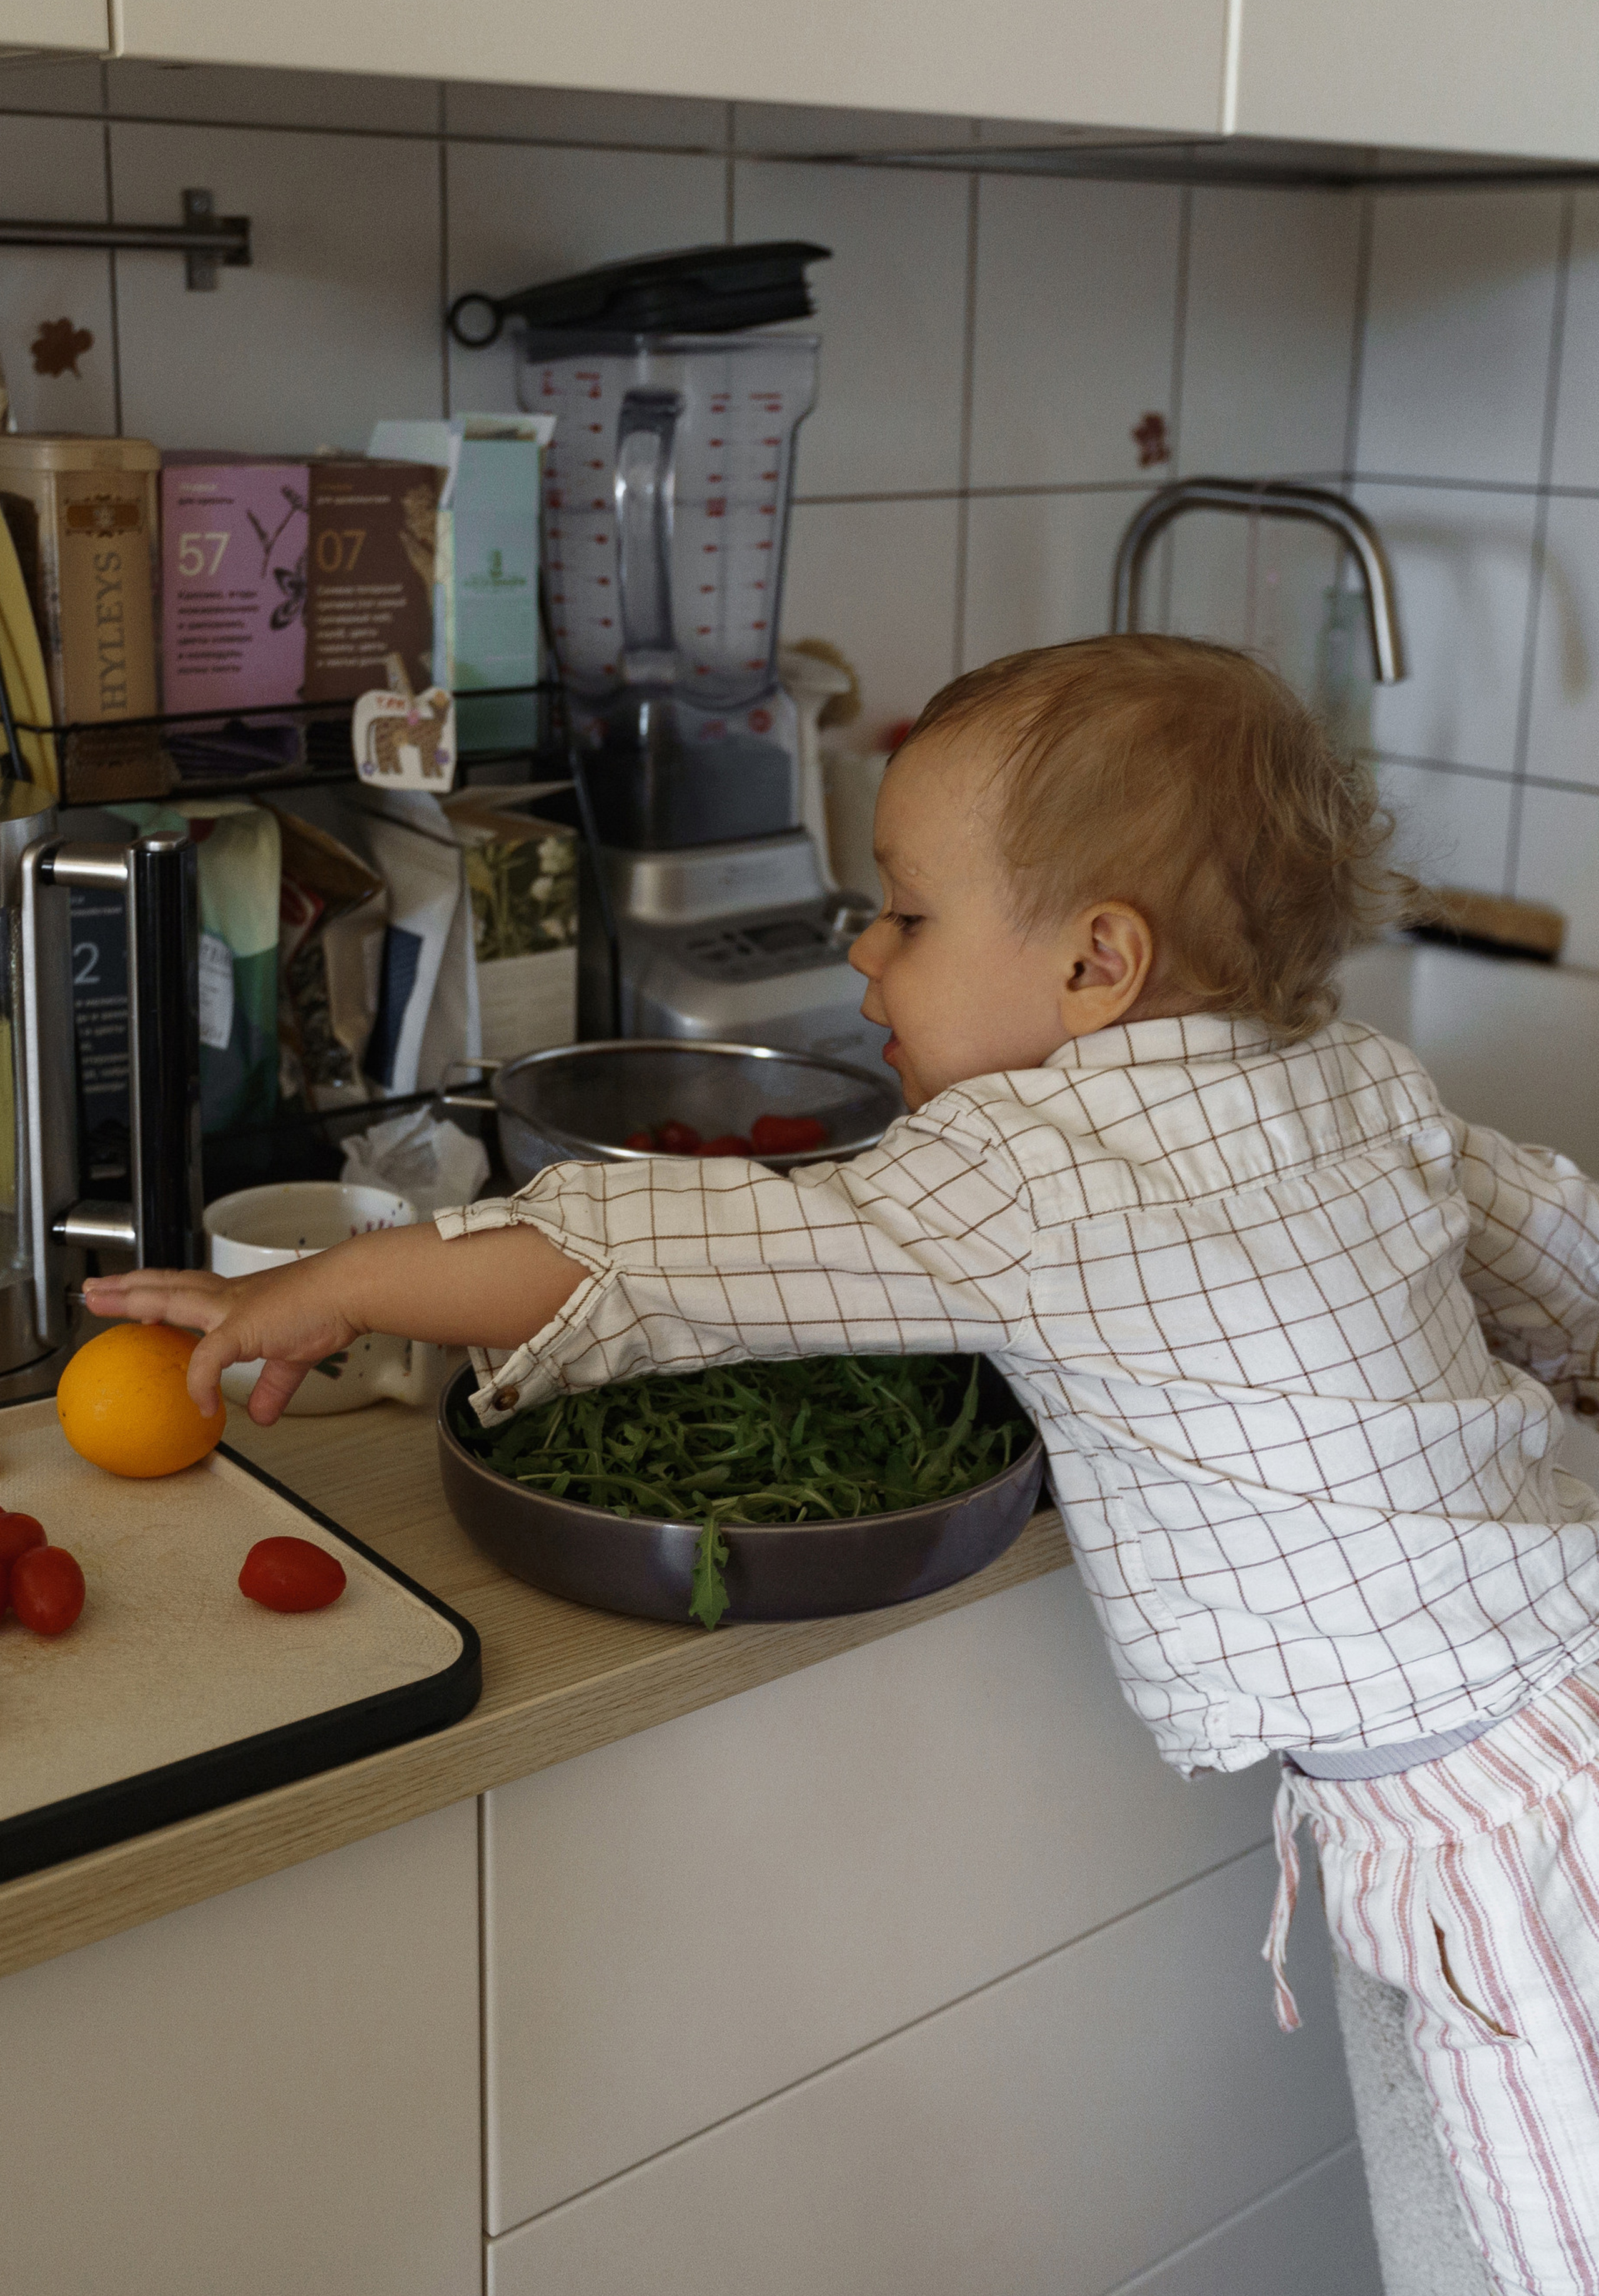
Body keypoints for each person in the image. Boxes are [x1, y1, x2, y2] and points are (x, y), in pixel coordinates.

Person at [87, 635, 1599, 2294]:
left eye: (909, 913)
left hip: (1488, 1834)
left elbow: (671, 1248)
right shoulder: (1368, 1083)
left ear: (1099, 962)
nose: (863, 951)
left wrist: (341, 1280)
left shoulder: (1027, 1166)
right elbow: (1573, 1268)